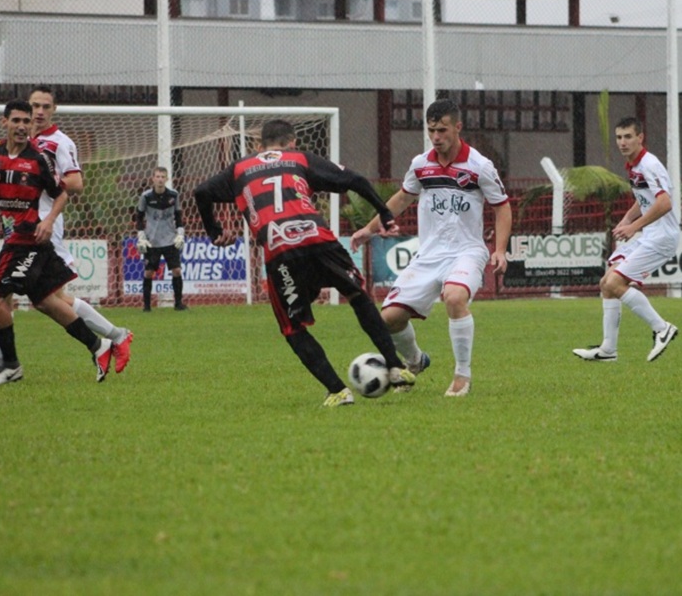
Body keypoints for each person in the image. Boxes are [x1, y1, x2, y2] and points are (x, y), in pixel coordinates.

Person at [194, 119, 416, 407]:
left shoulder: (239, 168)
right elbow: (356, 181)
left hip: (280, 250)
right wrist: (384, 214)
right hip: (318, 239)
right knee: (357, 296)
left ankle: (338, 391)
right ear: (292, 142)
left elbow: (201, 192)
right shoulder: (299, 159)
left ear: (259, 146)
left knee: (293, 327)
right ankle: (394, 365)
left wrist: (214, 232)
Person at [0, 85, 133, 382]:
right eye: (33, 106)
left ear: (54, 110)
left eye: (44, 107)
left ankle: (1, 363)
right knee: (42, 299)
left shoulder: (55, 145)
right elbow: (6, 182)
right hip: (19, 226)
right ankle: (108, 340)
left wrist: (47, 208)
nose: (37, 112)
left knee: (5, 294)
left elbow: (73, 184)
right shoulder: (16, 145)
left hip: (41, 229)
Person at [350, 98, 512, 397]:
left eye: (442, 130)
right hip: (429, 254)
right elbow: (401, 198)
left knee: (454, 297)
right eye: (431, 130)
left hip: (467, 251)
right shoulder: (421, 164)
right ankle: (415, 361)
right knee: (388, 319)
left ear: (458, 127)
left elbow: (502, 207)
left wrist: (499, 250)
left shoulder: (479, 166)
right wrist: (369, 229)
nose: (436, 137)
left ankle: (462, 375)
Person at [572, 116, 679, 363]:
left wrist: (634, 227)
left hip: (661, 237)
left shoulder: (649, 164)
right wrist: (626, 220)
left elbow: (664, 203)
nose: (622, 142)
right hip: (649, 234)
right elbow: (643, 199)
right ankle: (608, 350)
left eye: (628, 137)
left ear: (640, 138)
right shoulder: (633, 165)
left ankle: (662, 328)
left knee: (615, 283)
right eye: (619, 137)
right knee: (606, 282)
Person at [136, 166, 187, 311]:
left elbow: (178, 216)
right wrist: (141, 236)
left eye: (162, 177)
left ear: (167, 179)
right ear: (153, 178)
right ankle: (146, 307)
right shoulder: (146, 197)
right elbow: (139, 217)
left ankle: (178, 304)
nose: (159, 179)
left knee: (177, 270)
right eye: (157, 176)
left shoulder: (174, 195)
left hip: (170, 240)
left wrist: (180, 234)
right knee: (148, 273)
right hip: (152, 241)